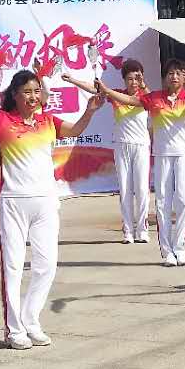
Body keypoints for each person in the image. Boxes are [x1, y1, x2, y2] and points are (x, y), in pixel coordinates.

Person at [0, 69, 103, 348]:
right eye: (27, 92)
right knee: (13, 267)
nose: (33, 96)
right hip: (14, 202)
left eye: (36, 91)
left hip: (46, 202)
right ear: (14, 95)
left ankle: (31, 320)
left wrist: (89, 111)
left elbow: (75, 130)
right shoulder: (0, 120)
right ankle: (14, 330)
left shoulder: (48, 121)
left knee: (46, 265)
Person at [99, 59, 185, 266]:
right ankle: (167, 251)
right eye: (170, 73)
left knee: (184, 201)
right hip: (162, 155)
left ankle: (179, 247)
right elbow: (130, 100)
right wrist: (107, 90)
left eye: (178, 73)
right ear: (164, 78)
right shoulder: (154, 98)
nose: (174, 77)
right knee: (163, 203)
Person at [63, 59, 151, 243]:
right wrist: (73, 80)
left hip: (141, 146)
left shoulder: (145, 96)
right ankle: (128, 231)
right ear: (124, 80)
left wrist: (143, 84)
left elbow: (148, 97)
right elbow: (94, 89)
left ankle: (142, 230)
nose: (133, 82)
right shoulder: (117, 95)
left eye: (137, 78)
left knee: (142, 188)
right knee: (125, 189)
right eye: (129, 79)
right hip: (121, 146)